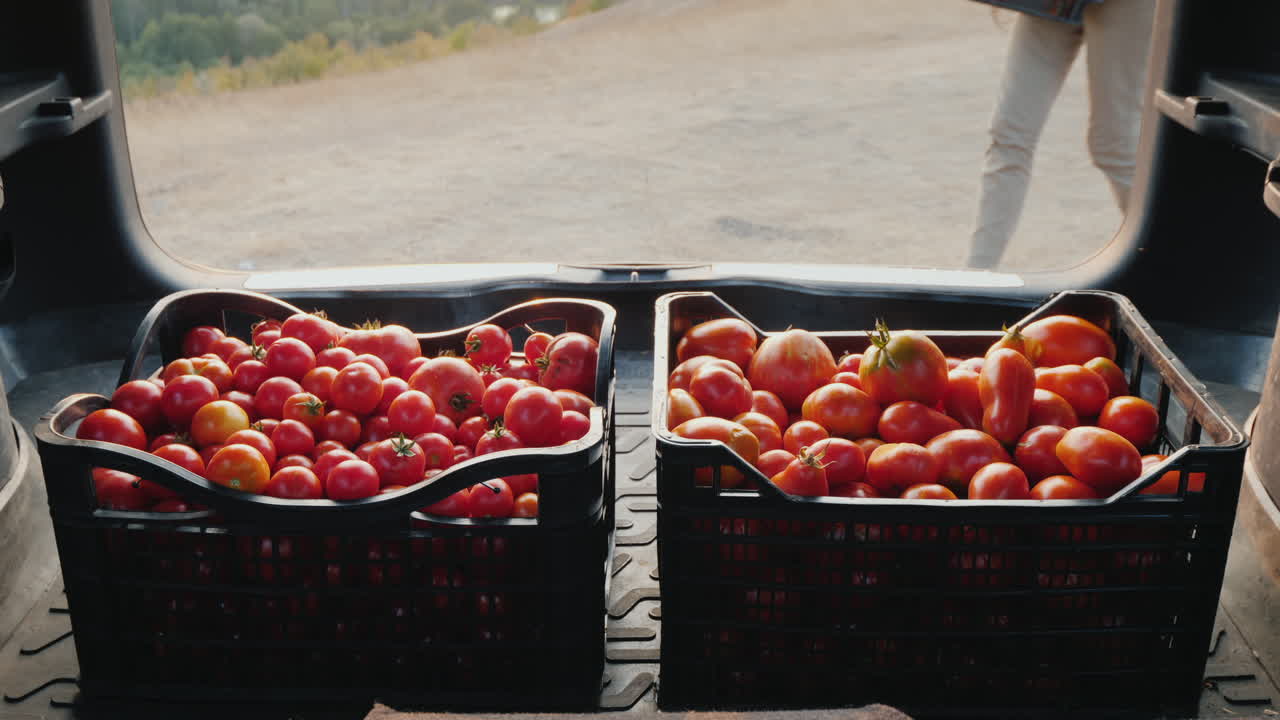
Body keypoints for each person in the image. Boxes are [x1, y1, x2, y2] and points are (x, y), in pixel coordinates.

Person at [967, 0, 1157, 269]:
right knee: (1010, 134)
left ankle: (1171, 261)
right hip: (1050, 5)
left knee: (1114, 145)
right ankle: (977, 277)